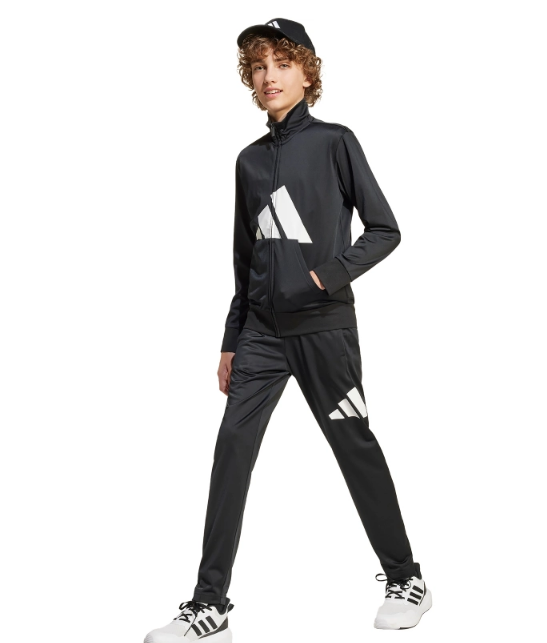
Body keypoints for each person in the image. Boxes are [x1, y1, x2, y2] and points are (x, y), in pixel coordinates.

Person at [144, 17, 432, 643]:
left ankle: (406, 578)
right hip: (261, 335)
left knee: (353, 446)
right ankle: (209, 604)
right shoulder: (248, 161)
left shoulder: (335, 142)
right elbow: (245, 257)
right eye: (258, 66)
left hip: (324, 328)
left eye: (281, 63)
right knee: (231, 452)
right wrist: (232, 337)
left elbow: (385, 229)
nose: (268, 76)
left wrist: (327, 276)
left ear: (307, 72)